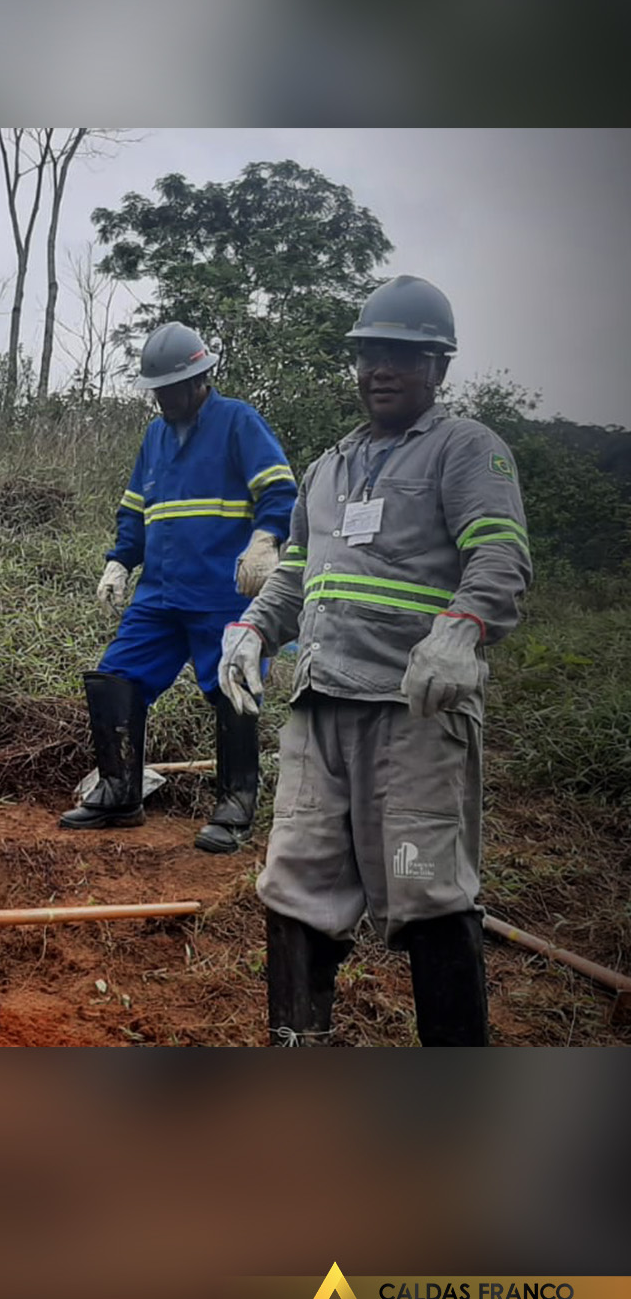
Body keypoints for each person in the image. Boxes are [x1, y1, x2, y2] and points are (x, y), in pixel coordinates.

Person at [219, 275, 532, 1046]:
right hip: (320, 704)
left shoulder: (466, 449)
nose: (380, 370)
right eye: (368, 354)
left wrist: (461, 630)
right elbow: (294, 569)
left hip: (413, 711)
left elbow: (500, 556)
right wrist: (255, 631)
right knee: (295, 887)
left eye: (401, 355)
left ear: (439, 368)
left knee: (429, 890)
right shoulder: (329, 467)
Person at [59, 321, 298, 852]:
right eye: (157, 391)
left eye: (171, 389)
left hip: (220, 592)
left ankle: (235, 803)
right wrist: (120, 561)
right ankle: (120, 793)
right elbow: (136, 509)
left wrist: (265, 540)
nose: (163, 399)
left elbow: (279, 490)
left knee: (232, 687)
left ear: (200, 380)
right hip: (160, 593)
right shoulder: (155, 437)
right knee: (117, 676)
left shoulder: (238, 422)